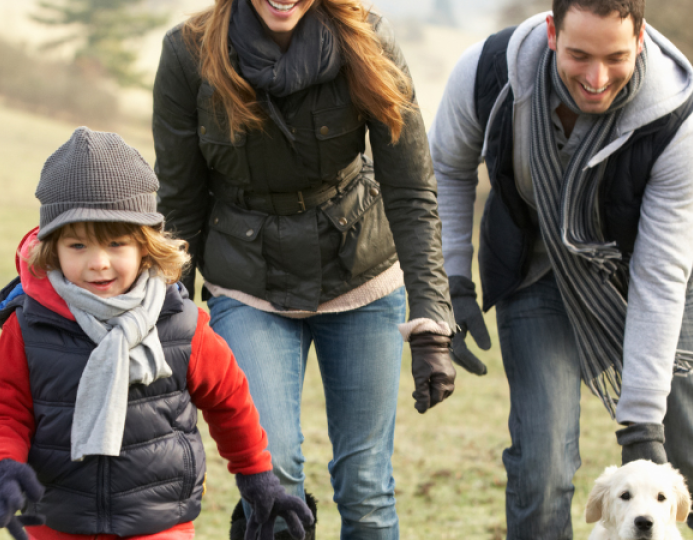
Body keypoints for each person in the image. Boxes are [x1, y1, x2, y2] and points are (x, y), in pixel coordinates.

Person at [427, 0, 693, 538]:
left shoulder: (677, 121)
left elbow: (660, 276)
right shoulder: (488, 74)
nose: (596, 78)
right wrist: (452, 282)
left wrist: (642, 420)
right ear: (552, 32)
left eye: (615, 57)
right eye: (579, 55)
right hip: (535, 272)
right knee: (542, 466)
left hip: (643, 280)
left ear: (641, 38)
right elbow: (448, 166)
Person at [152, 0, 464, 539]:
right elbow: (179, 204)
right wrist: (168, 328)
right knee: (272, 474)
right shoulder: (188, 53)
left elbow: (411, 189)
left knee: (366, 483)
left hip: (362, 275)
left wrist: (434, 317)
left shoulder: (368, 41)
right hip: (246, 282)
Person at [0, 127, 312, 540]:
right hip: (56, 519)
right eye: (77, 246)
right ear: (51, 249)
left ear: (145, 246)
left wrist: (257, 477)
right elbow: (4, 413)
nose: (98, 263)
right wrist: (1, 467)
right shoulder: (28, 325)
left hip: (159, 521)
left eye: (116, 244)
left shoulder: (183, 325)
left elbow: (230, 402)